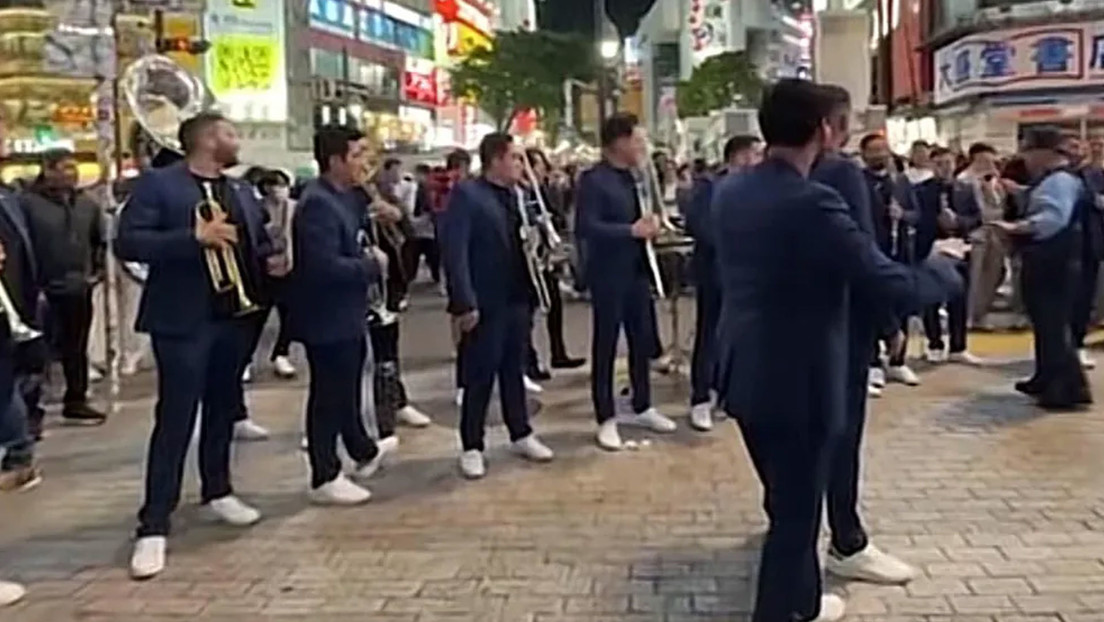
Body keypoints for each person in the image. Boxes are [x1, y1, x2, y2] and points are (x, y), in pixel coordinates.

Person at [712, 78, 963, 622]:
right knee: (795, 520)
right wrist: (942, 270)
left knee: (786, 502)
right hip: (796, 381)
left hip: (742, 367)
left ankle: (802, 603)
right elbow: (886, 281)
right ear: (825, 131)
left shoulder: (732, 189)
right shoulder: (812, 201)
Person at [116, 112, 278, 580]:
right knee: (176, 417)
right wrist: (193, 238)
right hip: (182, 320)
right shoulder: (159, 185)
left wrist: (272, 259)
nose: (237, 140)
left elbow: (255, 241)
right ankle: (154, 522)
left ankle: (218, 489)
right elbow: (128, 242)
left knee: (224, 407)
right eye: (229, 133)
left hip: (235, 317)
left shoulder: (240, 189)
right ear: (207, 140)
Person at [807, 84, 925, 591]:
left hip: (785, 335)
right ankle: (846, 539)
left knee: (802, 439)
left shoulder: (755, 181)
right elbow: (865, 257)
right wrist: (889, 322)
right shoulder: (840, 174)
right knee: (842, 434)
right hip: (843, 329)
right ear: (830, 127)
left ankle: (795, 527)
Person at [287, 125, 395, 504]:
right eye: (357, 155)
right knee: (328, 394)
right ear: (334, 161)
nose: (364, 162)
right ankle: (324, 474)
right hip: (326, 314)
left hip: (349, 310)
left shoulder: (347, 197)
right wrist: (371, 266)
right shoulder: (317, 203)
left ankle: (362, 449)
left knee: (346, 386)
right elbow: (323, 266)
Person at [438, 132, 555, 479]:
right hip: (485, 299)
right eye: (515, 158)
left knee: (513, 370)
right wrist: (464, 301)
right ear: (496, 160)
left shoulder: (519, 196)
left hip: (518, 295)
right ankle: (472, 445)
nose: (521, 165)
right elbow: (455, 251)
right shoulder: (467, 195)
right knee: (480, 376)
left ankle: (521, 431)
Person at [576, 113, 677, 451]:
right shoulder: (594, 180)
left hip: (638, 269)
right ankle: (605, 416)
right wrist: (630, 231)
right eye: (637, 140)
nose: (641, 147)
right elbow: (587, 226)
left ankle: (642, 403)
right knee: (606, 344)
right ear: (619, 142)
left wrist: (653, 224)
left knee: (642, 338)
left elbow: (646, 216)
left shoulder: (636, 177)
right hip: (608, 272)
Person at [997, 127, 1092, 409]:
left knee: (1053, 324)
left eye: (1028, 151)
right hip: (1056, 259)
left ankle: (1064, 389)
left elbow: (1053, 218)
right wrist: (1021, 193)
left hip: (1054, 260)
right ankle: (1046, 377)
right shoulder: (1055, 179)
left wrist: (1016, 227)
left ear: (1043, 152)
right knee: (1046, 322)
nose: (1024, 158)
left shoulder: (1058, 181)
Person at [19, 149, 106, 425]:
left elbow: (99, 241)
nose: (72, 173)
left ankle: (76, 399)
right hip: (40, 290)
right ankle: (31, 408)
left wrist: (95, 273)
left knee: (76, 347)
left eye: (73, 167)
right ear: (48, 170)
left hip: (78, 287)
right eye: (65, 167)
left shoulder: (87, 204)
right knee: (37, 352)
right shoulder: (27, 204)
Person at [684, 134, 761, 431]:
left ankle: (726, 389)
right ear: (740, 156)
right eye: (755, 153)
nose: (760, 160)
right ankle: (701, 397)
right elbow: (700, 225)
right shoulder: (710, 187)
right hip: (715, 272)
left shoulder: (755, 188)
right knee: (709, 333)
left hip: (745, 275)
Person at [860, 133, 923, 388]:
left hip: (899, 250)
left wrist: (903, 215)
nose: (880, 155)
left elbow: (917, 214)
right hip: (872, 250)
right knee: (873, 305)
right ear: (864, 154)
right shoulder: (859, 182)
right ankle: (873, 362)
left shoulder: (900, 181)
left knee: (900, 304)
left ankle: (898, 360)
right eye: (874, 150)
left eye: (883, 149)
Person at [917, 146, 982, 364]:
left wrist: (959, 222)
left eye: (948, 163)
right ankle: (934, 343)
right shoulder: (921, 191)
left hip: (959, 247)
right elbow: (916, 218)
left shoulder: (966, 188)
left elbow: (977, 217)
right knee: (931, 298)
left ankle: (958, 345)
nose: (944, 168)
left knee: (960, 297)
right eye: (939, 164)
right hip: (932, 247)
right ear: (931, 166)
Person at [0, 178, 44, 490]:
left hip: (7, 310)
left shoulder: (10, 201)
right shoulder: (11, 202)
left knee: (3, 386)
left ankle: (19, 455)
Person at [1062, 134, 1104, 368]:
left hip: (1091, 241)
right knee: (1072, 296)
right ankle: (1068, 345)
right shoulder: (1068, 175)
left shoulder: (1092, 174)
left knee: (1086, 297)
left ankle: (1077, 342)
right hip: (1074, 242)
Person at [959, 142, 1009, 327]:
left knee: (993, 273)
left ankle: (981, 312)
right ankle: (969, 315)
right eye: (986, 160)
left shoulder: (994, 180)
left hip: (995, 231)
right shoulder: (965, 181)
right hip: (977, 234)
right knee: (975, 276)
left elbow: (1000, 205)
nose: (991, 164)